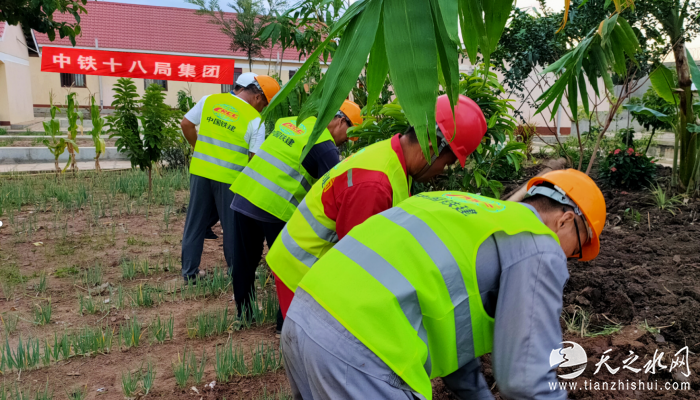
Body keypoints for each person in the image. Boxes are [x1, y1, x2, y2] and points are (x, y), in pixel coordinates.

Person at [281, 169, 606, 400]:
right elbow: (524, 379)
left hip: (303, 319)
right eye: (576, 249)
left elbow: (456, 349)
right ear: (565, 219)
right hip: (361, 348)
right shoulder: (537, 243)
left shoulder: (463, 207)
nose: (568, 259)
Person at [267, 94, 488, 318]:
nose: (442, 171)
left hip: (318, 260)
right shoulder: (375, 184)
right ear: (430, 148)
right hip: (302, 268)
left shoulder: (395, 158)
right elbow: (358, 264)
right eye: (447, 163)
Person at [228, 100, 362, 328]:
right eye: (348, 136)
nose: (345, 143)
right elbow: (333, 192)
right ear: (341, 121)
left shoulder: (290, 122)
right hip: (276, 206)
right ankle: (284, 324)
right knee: (288, 264)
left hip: (245, 194)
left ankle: (245, 315)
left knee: (244, 261)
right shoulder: (325, 145)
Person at [179, 72, 280, 283]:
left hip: (200, 171)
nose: (262, 109)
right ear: (258, 97)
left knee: (195, 223)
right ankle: (236, 272)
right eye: (265, 104)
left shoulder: (210, 100)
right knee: (231, 228)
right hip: (230, 178)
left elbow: (186, 124)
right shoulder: (255, 119)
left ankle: (189, 272)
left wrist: (198, 148)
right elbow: (254, 160)